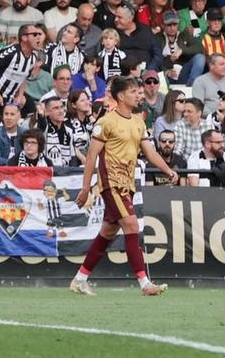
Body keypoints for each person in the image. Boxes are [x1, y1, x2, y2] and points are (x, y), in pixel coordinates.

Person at [70, 74, 174, 296]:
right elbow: (91, 157)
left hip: (127, 183)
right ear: (120, 95)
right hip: (111, 182)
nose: (139, 94)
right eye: (133, 91)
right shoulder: (106, 122)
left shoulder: (138, 121)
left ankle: (79, 279)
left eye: (139, 91)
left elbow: (150, 152)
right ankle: (145, 283)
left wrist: (168, 170)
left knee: (107, 233)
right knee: (132, 226)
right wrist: (86, 188)